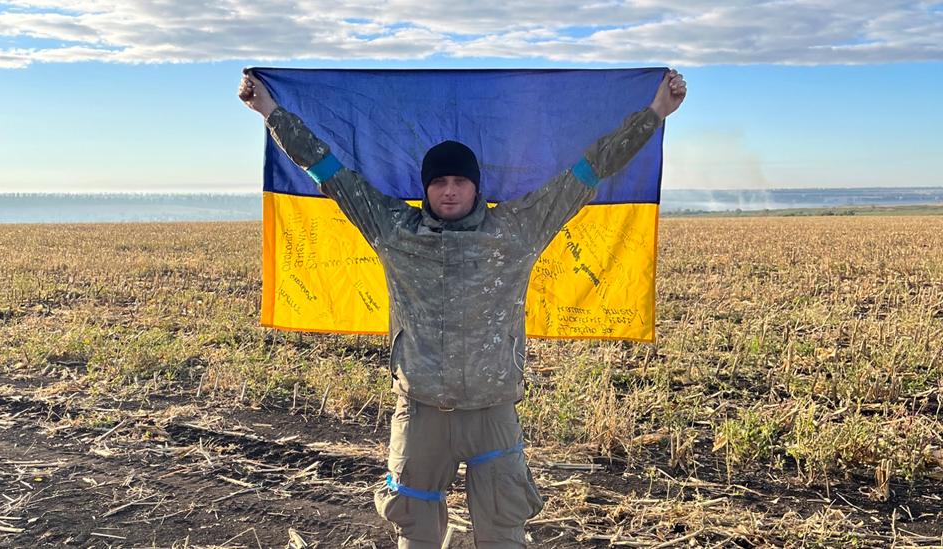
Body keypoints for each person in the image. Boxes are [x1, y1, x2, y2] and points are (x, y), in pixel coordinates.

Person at [240, 69, 686, 549]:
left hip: (492, 413)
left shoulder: (516, 231)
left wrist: (655, 113)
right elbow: (327, 170)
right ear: (426, 188)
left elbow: (589, 170)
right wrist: (270, 113)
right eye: (439, 182)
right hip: (421, 410)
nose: (449, 190)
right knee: (415, 528)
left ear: (476, 186)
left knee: (502, 529)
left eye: (459, 181)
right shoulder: (393, 229)